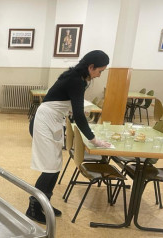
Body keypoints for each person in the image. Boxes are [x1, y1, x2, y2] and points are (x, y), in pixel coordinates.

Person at [26, 50, 111, 224]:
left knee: (55, 166)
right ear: (91, 67)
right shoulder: (76, 80)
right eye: (99, 71)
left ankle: (45, 204)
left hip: (52, 121)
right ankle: (33, 208)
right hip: (44, 122)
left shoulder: (77, 77)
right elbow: (79, 115)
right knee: (50, 168)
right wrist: (94, 139)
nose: (99, 75)